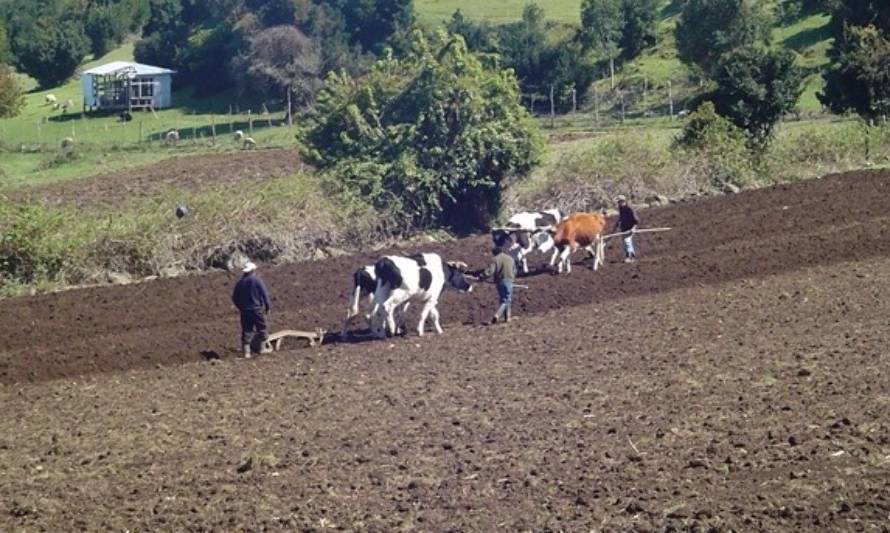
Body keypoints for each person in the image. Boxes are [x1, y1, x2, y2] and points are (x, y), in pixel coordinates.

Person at [231, 261, 271, 358]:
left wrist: (240, 307)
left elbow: (234, 297)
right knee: (261, 328)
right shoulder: (257, 280)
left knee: (247, 330)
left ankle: (246, 353)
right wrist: (268, 307)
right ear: (253, 270)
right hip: (257, 309)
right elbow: (264, 294)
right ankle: (262, 349)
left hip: (245, 311)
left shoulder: (240, 283)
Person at [480, 246, 516, 324]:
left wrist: (482, 276)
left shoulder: (495, 259)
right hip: (509, 281)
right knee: (507, 299)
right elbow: (515, 271)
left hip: (500, 282)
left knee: (504, 299)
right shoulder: (510, 259)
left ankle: (507, 317)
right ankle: (498, 315)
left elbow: (489, 272)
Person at [613, 195, 640, 263]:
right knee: (625, 243)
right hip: (624, 228)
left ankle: (631, 257)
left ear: (623, 201)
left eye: (619, 202)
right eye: (618, 202)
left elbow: (636, 220)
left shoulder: (629, 208)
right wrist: (616, 224)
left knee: (627, 241)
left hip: (630, 228)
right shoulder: (621, 208)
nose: (618, 203)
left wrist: (633, 228)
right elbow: (621, 217)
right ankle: (628, 256)